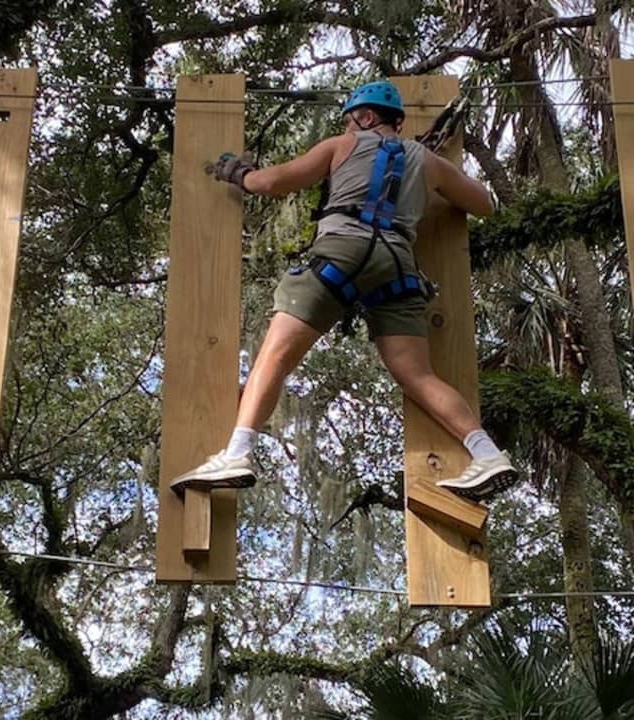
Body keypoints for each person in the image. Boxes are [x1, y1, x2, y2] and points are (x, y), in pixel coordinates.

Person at [170, 80, 518, 502]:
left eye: (350, 120)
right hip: (397, 263)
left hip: (341, 252)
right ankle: (487, 453)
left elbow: (271, 183)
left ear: (366, 117)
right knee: (417, 375)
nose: (348, 127)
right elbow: (483, 204)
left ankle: (237, 453)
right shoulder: (426, 160)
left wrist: (238, 173)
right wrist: (425, 178)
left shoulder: (341, 145)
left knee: (275, 356)